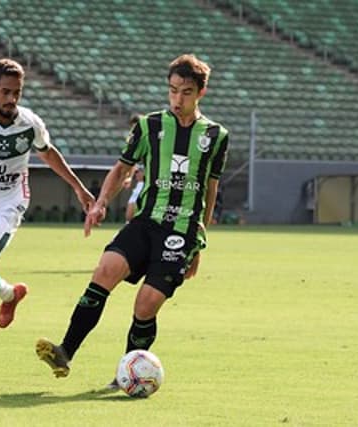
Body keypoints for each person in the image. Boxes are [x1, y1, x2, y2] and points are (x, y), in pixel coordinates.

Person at [35, 54, 230, 387]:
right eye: (172, 91)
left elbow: (210, 189)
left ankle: (125, 373)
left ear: (201, 93)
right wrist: (100, 205)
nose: (177, 99)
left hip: (180, 232)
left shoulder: (215, 136)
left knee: (146, 304)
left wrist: (200, 240)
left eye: (185, 92)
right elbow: (121, 168)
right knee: (104, 271)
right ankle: (65, 351)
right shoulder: (149, 126)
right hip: (145, 222)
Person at [0, 58, 94, 370]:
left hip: (8, 202)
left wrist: (78, 187)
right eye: (5, 92)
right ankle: (10, 295)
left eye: (17, 93)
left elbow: (49, 153)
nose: (11, 99)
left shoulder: (29, 124)